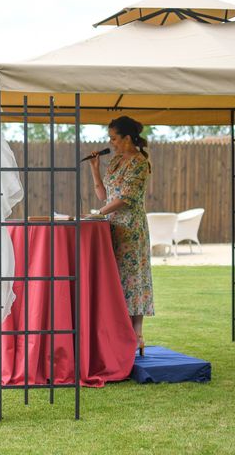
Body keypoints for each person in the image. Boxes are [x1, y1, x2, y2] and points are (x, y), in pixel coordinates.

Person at [87, 115, 154, 355]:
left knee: (133, 279)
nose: (111, 142)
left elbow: (125, 198)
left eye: (114, 138)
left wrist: (98, 213)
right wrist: (95, 169)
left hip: (131, 230)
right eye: (110, 138)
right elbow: (104, 195)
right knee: (115, 278)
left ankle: (136, 336)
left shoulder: (139, 163)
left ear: (127, 137)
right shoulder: (115, 161)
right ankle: (116, 333)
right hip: (112, 227)